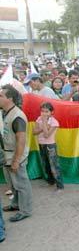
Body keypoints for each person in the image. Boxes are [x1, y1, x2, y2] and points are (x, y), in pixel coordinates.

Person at [0, 85, 33, 222]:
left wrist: (16, 161)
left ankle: (25, 210)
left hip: (15, 156)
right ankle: (15, 204)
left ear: (10, 99)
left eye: (1, 96)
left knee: (21, 184)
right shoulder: (4, 112)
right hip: (6, 155)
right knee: (12, 184)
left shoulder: (17, 116)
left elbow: (21, 141)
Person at [32, 102, 64, 190]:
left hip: (50, 146)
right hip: (41, 145)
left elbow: (46, 135)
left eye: (46, 111)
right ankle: (51, 182)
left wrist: (45, 122)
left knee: (54, 165)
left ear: (51, 112)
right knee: (46, 165)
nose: (44, 114)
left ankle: (60, 186)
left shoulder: (54, 122)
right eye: (42, 111)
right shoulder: (38, 119)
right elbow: (34, 132)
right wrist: (43, 127)